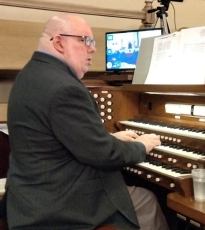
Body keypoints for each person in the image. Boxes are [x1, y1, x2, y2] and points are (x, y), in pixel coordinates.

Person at [6, 13, 169, 230]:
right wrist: (141, 146)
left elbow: (59, 138)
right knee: (147, 198)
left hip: (31, 195)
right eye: (85, 40)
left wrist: (108, 137)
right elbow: (105, 154)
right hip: (59, 204)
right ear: (59, 42)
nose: (92, 48)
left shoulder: (30, 74)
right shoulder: (64, 88)